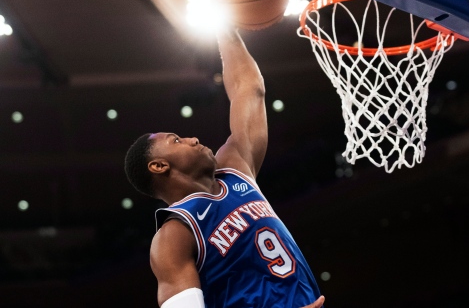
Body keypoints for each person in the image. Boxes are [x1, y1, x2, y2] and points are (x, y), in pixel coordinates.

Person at [124, 29, 325, 308]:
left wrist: (225, 29)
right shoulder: (174, 235)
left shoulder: (235, 168)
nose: (192, 139)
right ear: (159, 166)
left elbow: (250, 88)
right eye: (176, 140)